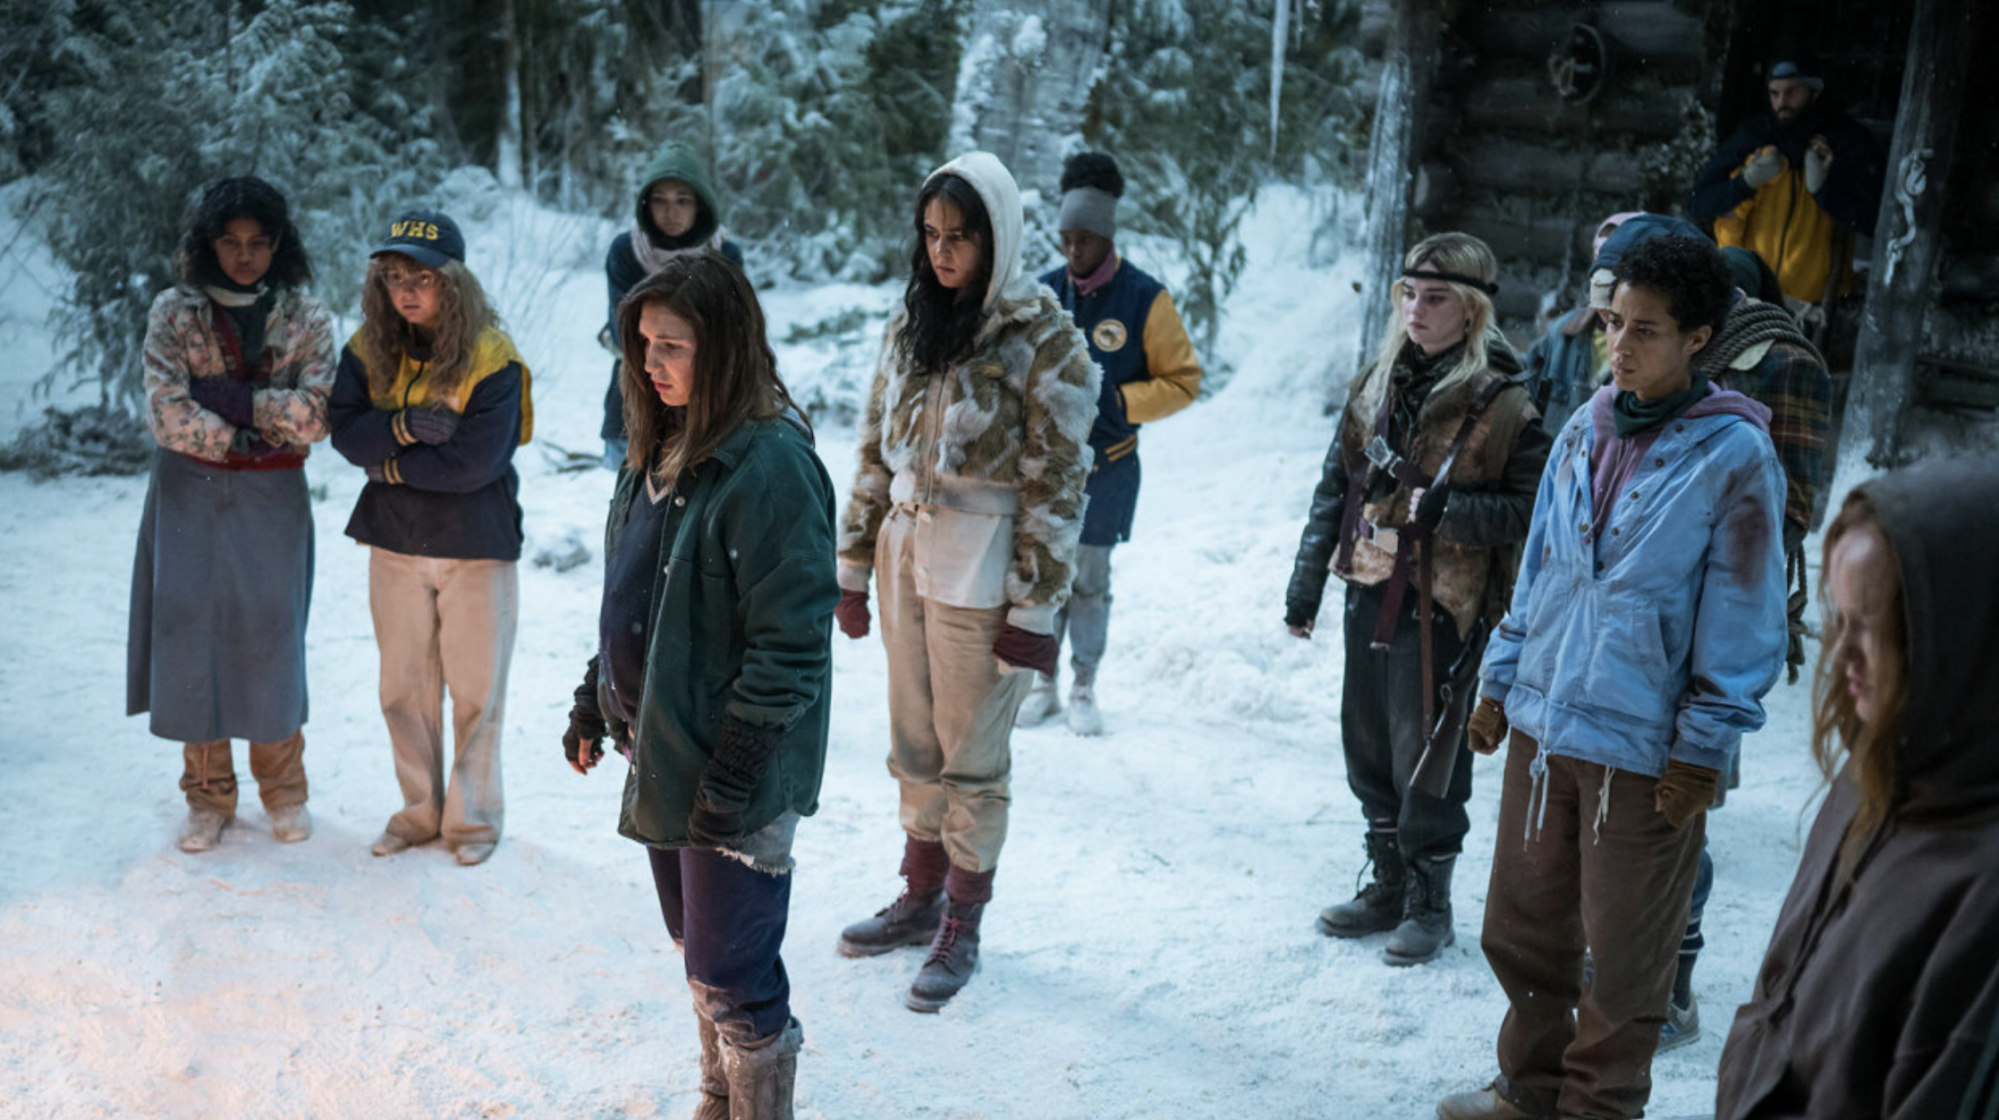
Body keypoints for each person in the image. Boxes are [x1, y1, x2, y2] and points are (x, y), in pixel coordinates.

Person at [1438, 233, 1787, 1120]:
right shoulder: (1585, 427)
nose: (1618, 347)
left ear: (1698, 337)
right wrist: (1498, 683)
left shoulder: (1733, 457)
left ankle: (1598, 1109)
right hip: (1545, 727)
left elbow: (1744, 618)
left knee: (1626, 955)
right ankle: (1528, 1090)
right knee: (1519, 930)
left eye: (1645, 331)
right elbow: (1540, 576)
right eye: (1610, 324)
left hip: (1643, 750)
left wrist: (1702, 749)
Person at [562, 252, 835, 1120]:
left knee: (732, 964)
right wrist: (592, 696)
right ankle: (718, 1099)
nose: (651, 363)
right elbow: (637, 595)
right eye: (641, 344)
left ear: (722, 346)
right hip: (660, 743)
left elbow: (792, 642)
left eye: (671, 345)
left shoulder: (769, 467)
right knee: (696, 948)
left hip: (733, 765)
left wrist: (735, 770)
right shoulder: (659, 448)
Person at [830, 151, 1100, 1012]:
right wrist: (851, 563)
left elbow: (1058, 482)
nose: (942, 253)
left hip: (984, 564)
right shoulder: (911, 322)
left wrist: (1037, 603)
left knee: (972, 756)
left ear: (999, 238)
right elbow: (874, 447)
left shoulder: (1043, 338)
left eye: (961, 238)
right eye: (932, 236)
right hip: (906, 552)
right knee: (912, 742)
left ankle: (963, 919)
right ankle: (919, 893)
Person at [1286, 232, 1551, 966]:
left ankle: (1429, 904)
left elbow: (1528, 512)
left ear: (1469, 311)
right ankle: (1388, 885)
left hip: (1443, 602)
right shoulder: (1375, 381)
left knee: (1427, 754)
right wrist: (1305, 583)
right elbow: (1333, 487)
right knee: (1366, 744)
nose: (1415, 309)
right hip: (1366, 586)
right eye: (1407, 293)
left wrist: (1437, 513)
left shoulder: (1504, 404)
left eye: (1434, 298)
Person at [1715, 457, 1999, 1120]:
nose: (1839, 656)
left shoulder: (1983, 894)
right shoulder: (1869, 777)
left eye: (1872, 626)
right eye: (1838, 620)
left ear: (1964, 639)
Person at [1656, 241, 1833, 1053]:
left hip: (1718, 610)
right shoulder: (1666, 347)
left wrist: (1705, 534)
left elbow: (1792, 501)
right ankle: (1621, 961)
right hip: (1645, 604)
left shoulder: (1786, 364)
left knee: (1682, 799)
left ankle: (1672, 981)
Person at [129, 175, 335, 853]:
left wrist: (237, 404)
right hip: (188, 492)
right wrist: (244, 432)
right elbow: (165, 408)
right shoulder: (174, 312)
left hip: (272, 498)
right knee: (191, 635)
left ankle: (284, 790)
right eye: (230, 241)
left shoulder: (306, 316)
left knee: (271, 633)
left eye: (257, 242)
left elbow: (317, 412)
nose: (244, 255)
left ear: (278, 244)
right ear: (207, 242)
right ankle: (207, 796)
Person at [329, 209, 533, 868]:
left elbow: (477, 462)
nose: (408, 291)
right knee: (403, 691)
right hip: (394, 543)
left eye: (423, 276)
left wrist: (385, 461)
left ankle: (471, 823)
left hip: (476, 545)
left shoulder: (491, 356)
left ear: (455, 281)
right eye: (394, 278)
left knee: (476, 692)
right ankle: (418, 814)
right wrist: (409, 426)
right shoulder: (367, 348)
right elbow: (344, 432)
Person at [1017, 150, 1202, 735]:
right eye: (1066, 239)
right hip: (1046, 468)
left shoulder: (1145, 298)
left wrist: (1121, 403)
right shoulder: (1043, 294)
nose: (1073, 252)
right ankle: (1042, 681)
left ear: (1107, 237)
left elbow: (1184, 380)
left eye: (1085, 240)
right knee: (1044, 574)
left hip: (1109, 468)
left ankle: (1083, 683)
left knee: (1090, 579)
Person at [1686, 51, 1884, 307]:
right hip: (1749, 294)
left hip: (1810, 304)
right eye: (1774, 93)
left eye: (1792, 91)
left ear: (1815, 92)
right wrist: (1745, 183)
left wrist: (1823, 190)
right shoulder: (1753, 137)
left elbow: (1872, 220)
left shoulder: (1844, 141)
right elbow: (1698, 203)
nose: (1782, 102)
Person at [601, 141, 744, 468]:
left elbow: (733, 334)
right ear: (646, 205)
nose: (671, 212)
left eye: (683, 201)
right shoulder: (627, 250)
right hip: (637, 387)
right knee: (635, 506)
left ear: (700, 206)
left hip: (709, 398)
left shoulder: (725, 255)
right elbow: (623, 329)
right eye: (661, 201)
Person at [1522, 211, 1640, 433]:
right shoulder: (1563, 333)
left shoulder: (1656, 347)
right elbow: (1525, 400)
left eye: (1618, 263)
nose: (1607, 274)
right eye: (1600, 260)